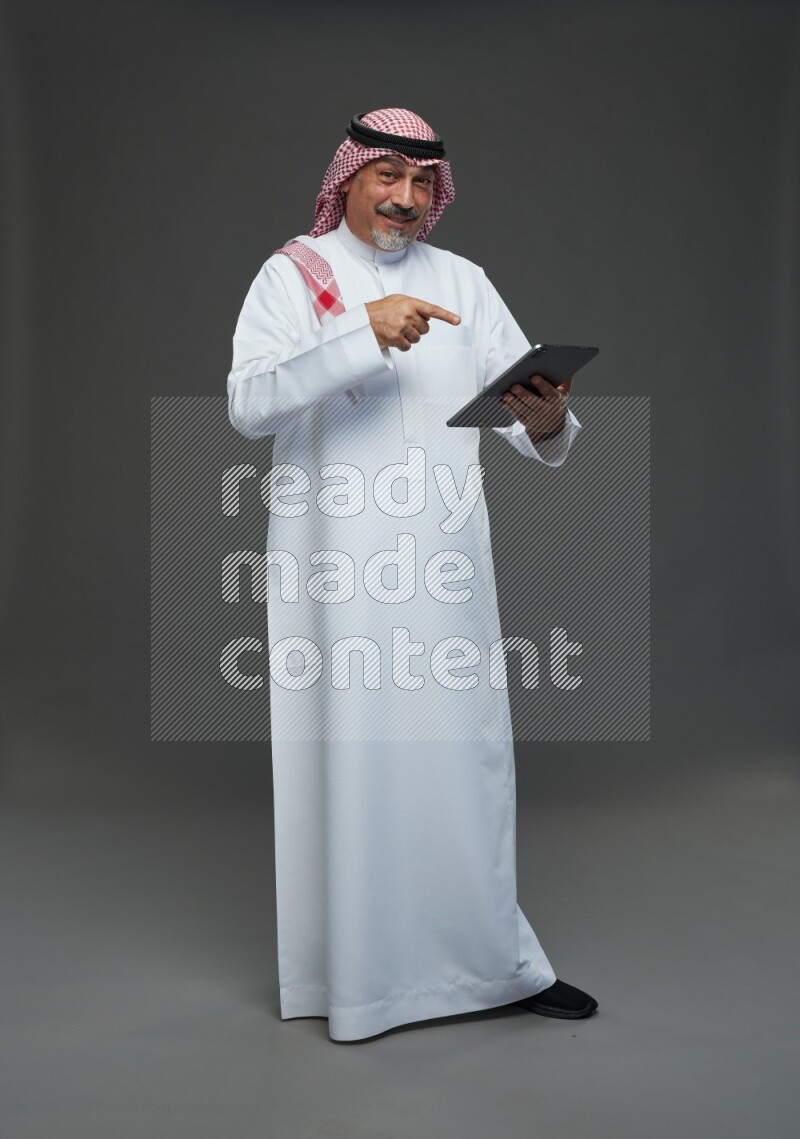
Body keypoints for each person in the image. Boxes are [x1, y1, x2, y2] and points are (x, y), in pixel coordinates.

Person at [226, 108, 598, 1041]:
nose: (404, 196)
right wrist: (362, 335)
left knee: (464, 765)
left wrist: (547, 417)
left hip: (445, 570)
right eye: (386, 174)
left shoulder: (463, 280)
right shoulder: (294, 275)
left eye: (422, 181)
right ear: (347, 178)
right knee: (358, 764)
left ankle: (494, 965)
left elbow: (529, 425)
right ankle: (364, 985)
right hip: (339, 578)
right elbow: (248, 405)